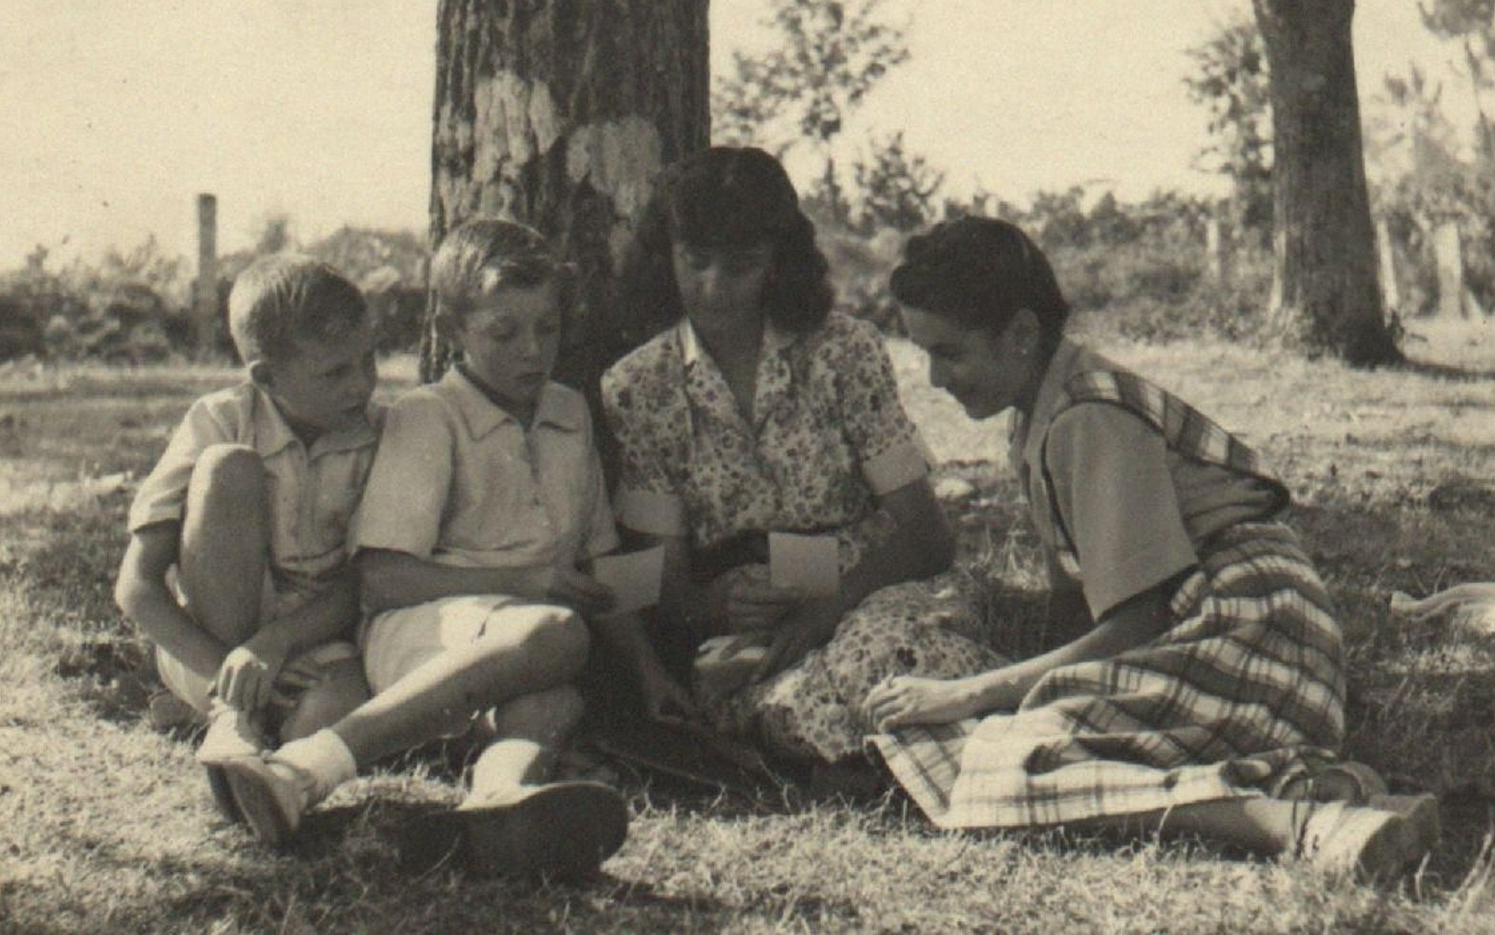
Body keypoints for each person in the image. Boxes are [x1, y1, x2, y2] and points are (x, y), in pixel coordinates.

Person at [864, 215, 1437, 877]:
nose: (935, 378)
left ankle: (1300, 825)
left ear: (1020, 334)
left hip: (1250, 625)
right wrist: (1038, 691)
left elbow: (1137, 620)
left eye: (949, 352)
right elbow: (1074, 604)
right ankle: (1334, 793)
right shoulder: (1041, 413)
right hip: (1250, 629)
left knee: (1011, 764)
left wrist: (971, 693)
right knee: (1017, 730)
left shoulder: (1088, 416)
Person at [216, 220, 628, 879]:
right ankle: (306, 768)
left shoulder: (570, 413)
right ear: (451, 328)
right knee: (556, 633)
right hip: (418, 629)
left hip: (505, 648)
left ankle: (497, 804)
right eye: (504, 332)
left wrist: (655, 674)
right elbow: (380, 580)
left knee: (556, 700)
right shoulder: (428, 416)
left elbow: (605, 564)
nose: (532, 351)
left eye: (546, 327)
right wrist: (530, 582)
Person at [600, 146, 1004, 766]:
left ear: (777, 263)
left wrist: (829, 610)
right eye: (695, 262)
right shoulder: (639, 388)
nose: (713, 288)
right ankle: (892, 756)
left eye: (740, 266)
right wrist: (716, 606)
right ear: (666, 258)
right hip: (755, 637)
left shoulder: (844, 352)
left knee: (890, 659)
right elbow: (662, 581)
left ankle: (907, 755)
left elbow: (928, 536)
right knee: (782, 698)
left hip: (873, 594)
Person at [115, 254, 378, 817]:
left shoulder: (379, 433)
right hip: (208, 642)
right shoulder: (218, 418)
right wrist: (229, 671)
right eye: (335, 372)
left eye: (369, 360)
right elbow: (135, 587)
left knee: (328, 716)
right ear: (265, 377)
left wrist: (276, 647)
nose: (361, 385)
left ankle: (263, 777)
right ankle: (228, 720)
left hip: (314, 642)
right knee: (228, 467)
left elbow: (369, 577)